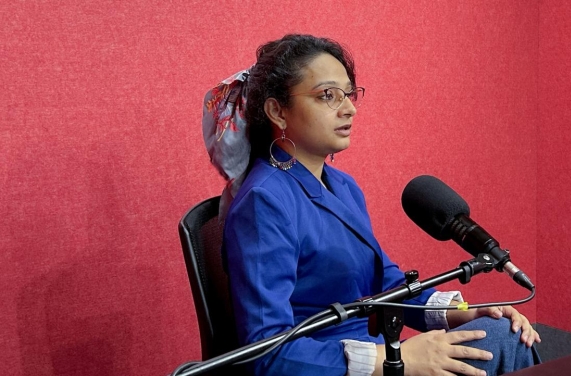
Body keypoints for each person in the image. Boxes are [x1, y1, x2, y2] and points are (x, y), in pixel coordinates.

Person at [202, 34, 541, 376]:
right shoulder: (264, 201)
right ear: (277, 110)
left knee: (503, 330)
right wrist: (389, 360)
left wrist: (464, 312)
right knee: (503, 342)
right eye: (327, 96)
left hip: (379, 357)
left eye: (349, 94)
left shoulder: (344, 187)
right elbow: (268, 352)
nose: (348, 107)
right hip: (330, 366)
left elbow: (387, 286)